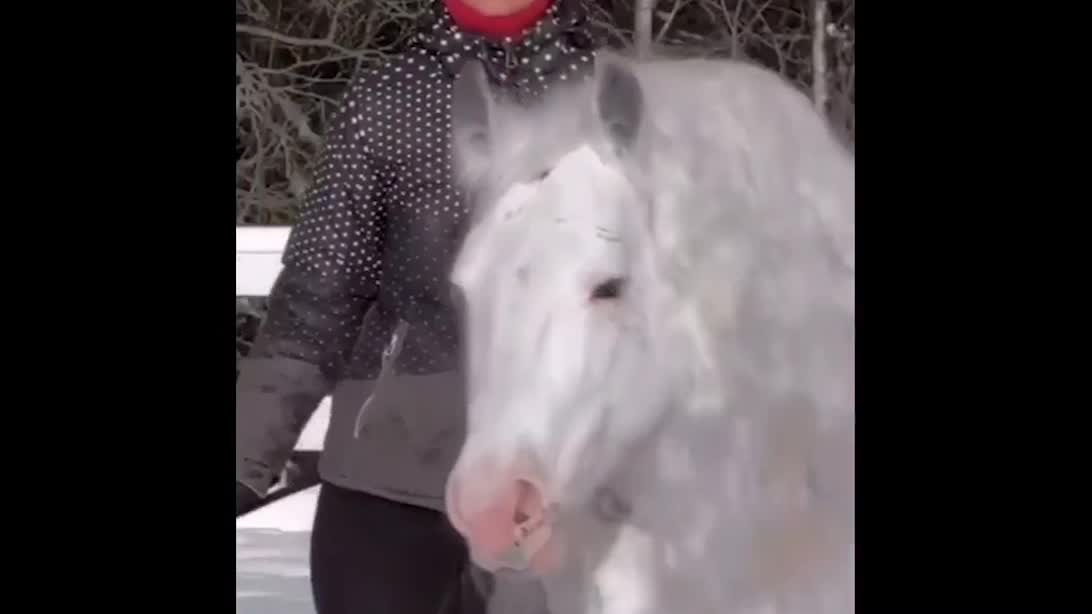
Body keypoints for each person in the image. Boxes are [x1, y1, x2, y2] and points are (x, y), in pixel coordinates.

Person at [235, 0, 603, 612]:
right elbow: (315, 300)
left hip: (563, 496)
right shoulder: (392, 97)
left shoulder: (615, 99)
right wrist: (245, 457)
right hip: (390, 489)